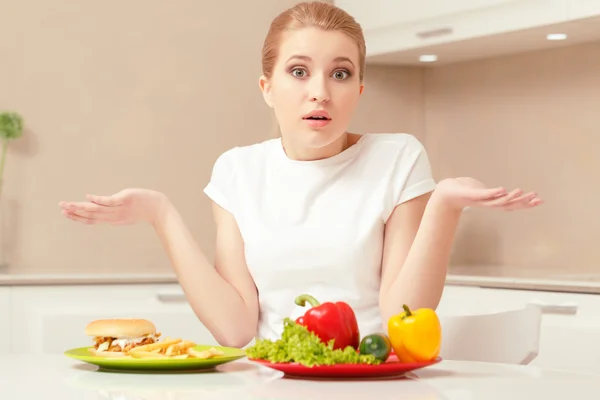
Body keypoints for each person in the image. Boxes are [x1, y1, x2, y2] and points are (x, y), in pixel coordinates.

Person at [58, 1, 543, 348]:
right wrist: (160, 214)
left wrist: (444, 206)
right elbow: (235, 330)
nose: (320, 93)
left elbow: (402, 319)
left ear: (359, 88)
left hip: (371, 381)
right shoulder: (237, 171)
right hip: (268, 381)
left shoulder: (398, 159)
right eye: (298, 71)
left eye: (340, 73)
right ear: (267, 88)